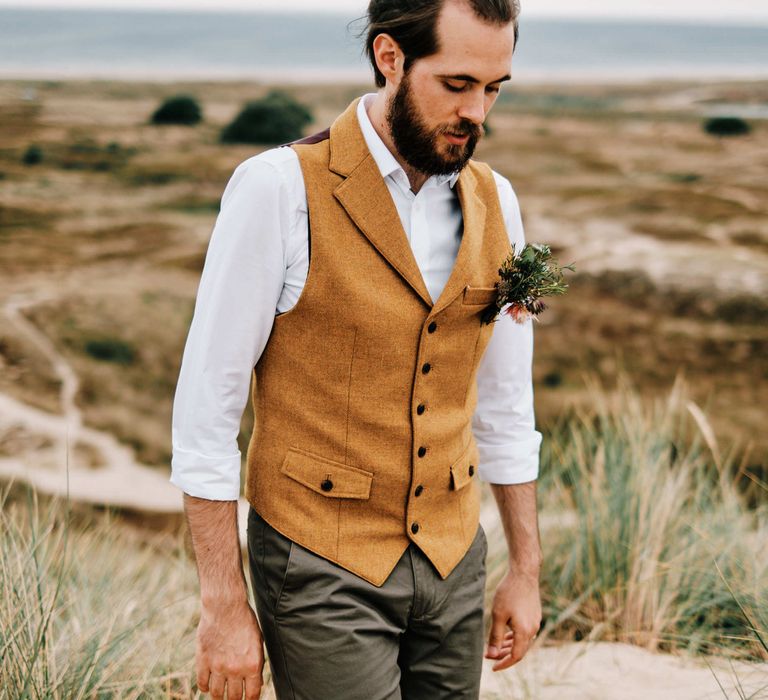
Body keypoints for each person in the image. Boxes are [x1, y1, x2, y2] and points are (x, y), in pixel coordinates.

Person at [170, 0, 544, 698]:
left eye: (494, 89)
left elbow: (505, 405)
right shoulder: (278, 189)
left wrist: (524, 569)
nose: (478, 113)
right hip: (320, 561)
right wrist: (223, 605)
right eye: (457, 84)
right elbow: (205, 416)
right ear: (389, 57)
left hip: (455, 557)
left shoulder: (498, 202)